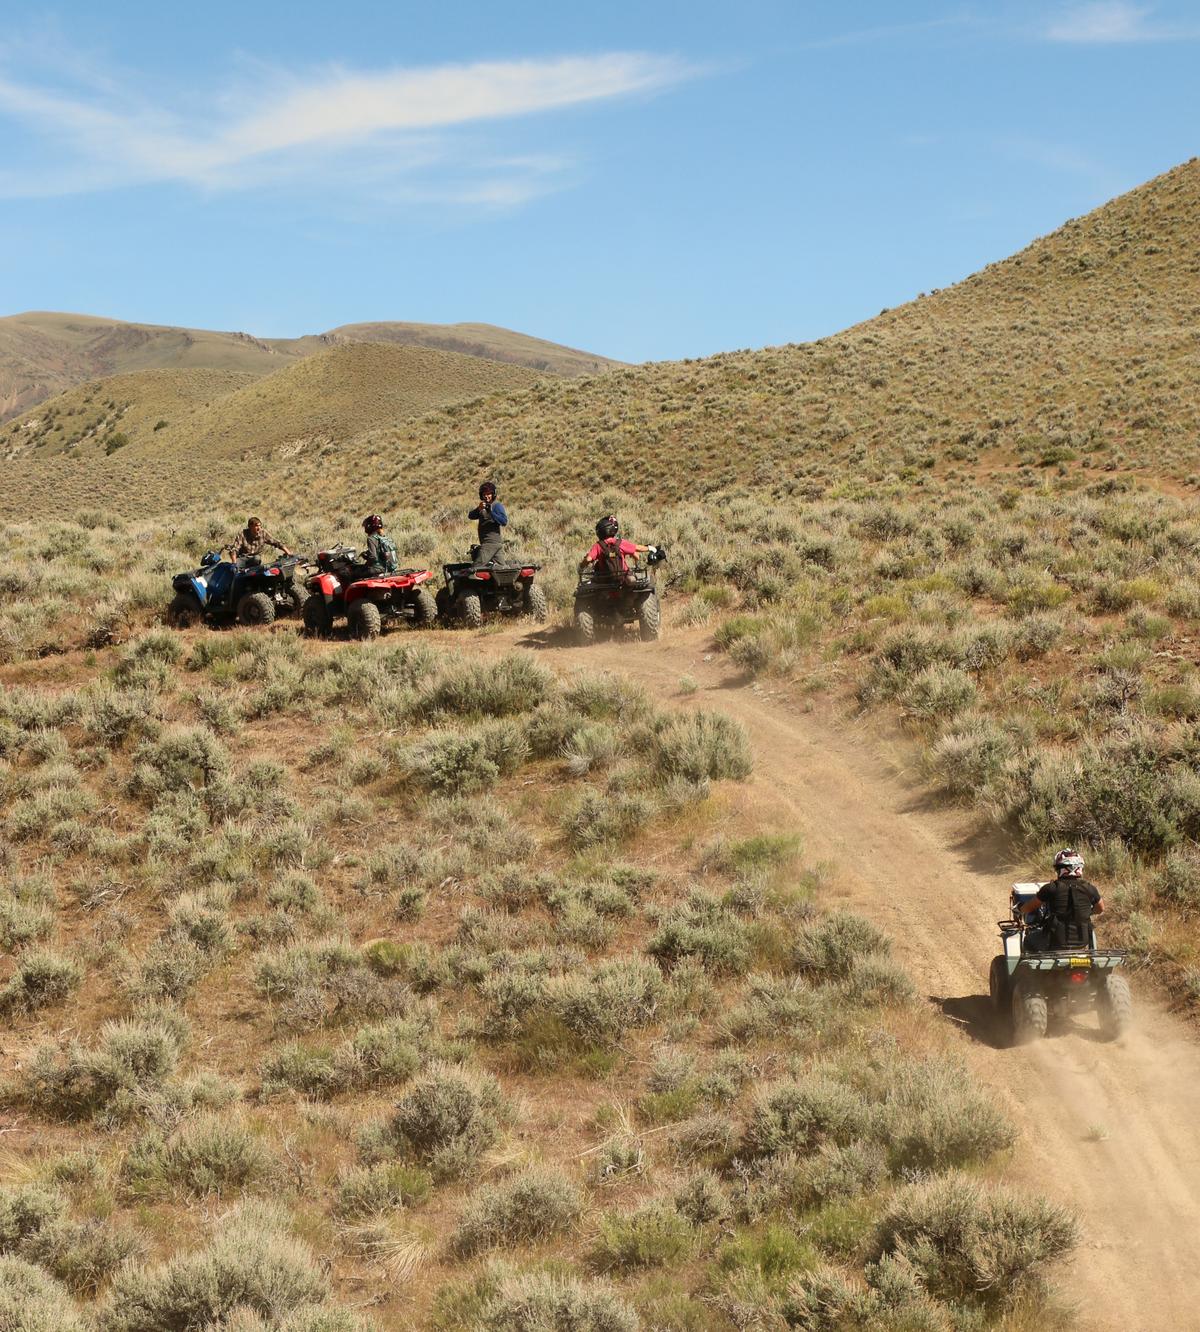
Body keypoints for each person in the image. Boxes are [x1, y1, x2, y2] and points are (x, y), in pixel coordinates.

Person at [1019, 849, 1105, 951]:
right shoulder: (1090, 888)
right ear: (1080, 868)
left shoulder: (1050, 888)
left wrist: (1020, 909)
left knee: (1029, 939)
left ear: (1059, 869)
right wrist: (1085, 913)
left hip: (1055, 941)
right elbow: (1100, 909)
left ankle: (1028, 967)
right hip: (1082, 942)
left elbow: (1029, 908)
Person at [579, 515, 656, 580]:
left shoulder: (598, 545)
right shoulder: (620, 543)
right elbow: (637, 548)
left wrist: (581, 566)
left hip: (605, 580)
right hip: (622, 578)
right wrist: (650, 548)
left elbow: (588, 559)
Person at [467, 481, 508, 566]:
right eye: (484, 494)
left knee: (475, 567)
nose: (486, 496)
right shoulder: (483, 506)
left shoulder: (496, 506)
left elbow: (504, 521)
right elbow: (471, 516)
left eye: (489, 494)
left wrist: (491, 513)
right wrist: (479, 509)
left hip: (490, 543)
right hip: (493, 544)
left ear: (493, 494)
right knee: (501, 570)